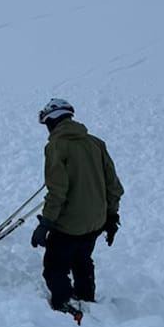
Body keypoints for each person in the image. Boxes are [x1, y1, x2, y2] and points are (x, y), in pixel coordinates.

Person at [30, 99, 123, 312]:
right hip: (96, 222)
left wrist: (46, 224)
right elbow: (114, 186)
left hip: (69, 225)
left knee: (55, 267)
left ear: (52, 121)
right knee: (82, 260)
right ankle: (87, 299)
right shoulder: (96, 143)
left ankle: (65, 307)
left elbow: (57, 192)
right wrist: (111, 217)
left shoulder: (56, 146)